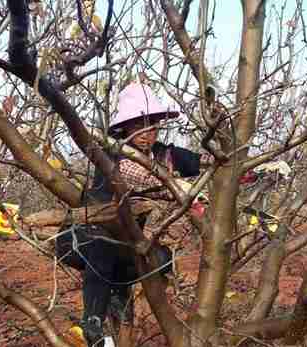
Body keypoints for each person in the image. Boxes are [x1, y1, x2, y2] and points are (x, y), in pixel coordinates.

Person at [55, 83, 210, 346]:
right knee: (103, 247)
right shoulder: (113, 154)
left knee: (159, 258)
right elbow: (140, 176)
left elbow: (204, 160)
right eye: (139, 126)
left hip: (122, 244)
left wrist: (247, 168)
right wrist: (180, 188)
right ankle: (91, 324)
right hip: (79, 239)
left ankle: (117, 306)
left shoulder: (163, 154)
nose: (147, 134)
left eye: (152, 126)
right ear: (125, 127)